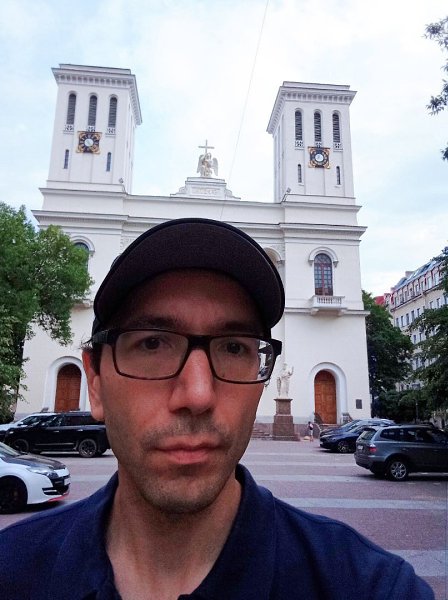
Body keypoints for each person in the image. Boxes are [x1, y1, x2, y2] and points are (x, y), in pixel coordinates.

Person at [0, 218, 433, 600]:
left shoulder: (367, 586)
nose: (198, 395)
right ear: (95, 381)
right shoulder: (11, 570)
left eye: (233, 348)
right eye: (152, 343)